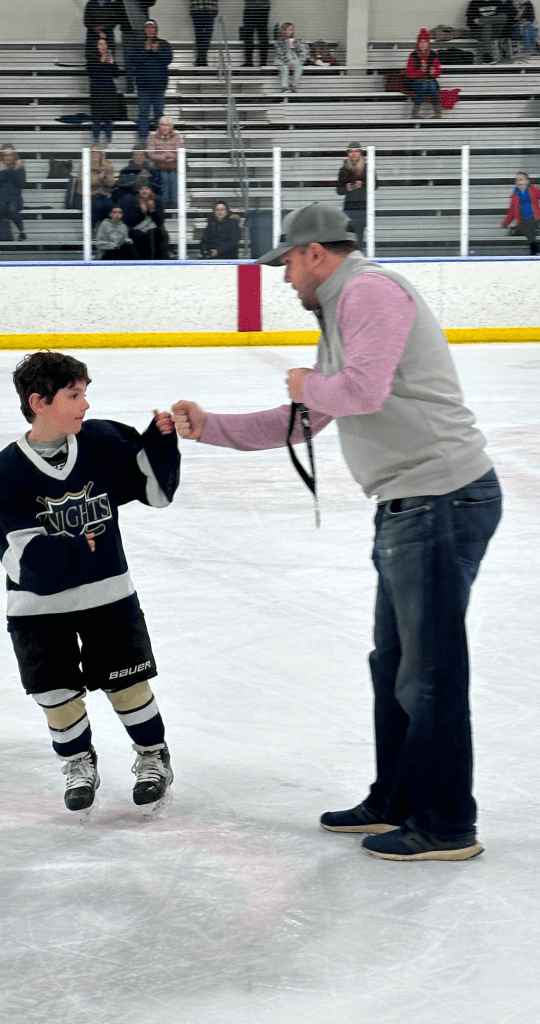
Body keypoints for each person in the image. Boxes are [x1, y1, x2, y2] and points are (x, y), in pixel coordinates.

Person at [172, 203, 501, 862]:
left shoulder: (370, 291)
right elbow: (309, 417)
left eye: (288, 262)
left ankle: (446, 823)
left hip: (441, 498)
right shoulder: (342, 309)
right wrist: (210, 427)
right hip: (411, 505)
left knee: (429, 674)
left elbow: (362, 392)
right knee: (395, 668)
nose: (284, 277)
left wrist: (308, 384)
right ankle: (397, 798)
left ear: (316, 254)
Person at [0, 350, 179, 815]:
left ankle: (153, 756)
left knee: (129, 686)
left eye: (85, 394)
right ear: (39, 402)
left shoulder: (100, 442)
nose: (86, 404)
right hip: (37, 610)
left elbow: (155, 491)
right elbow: (19, 556)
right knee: (56, 696)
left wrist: (160, 443)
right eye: (74, 395)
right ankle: (77, 762)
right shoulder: (5, 470)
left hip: (108, 596)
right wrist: (76, 550)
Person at [131, 20, 173, 144]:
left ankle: (160, 143)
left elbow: (168, 59)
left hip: (159, 86)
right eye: (147, 28)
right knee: (143, 115)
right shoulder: (139, 44)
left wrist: (157, 51)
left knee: (159, 115)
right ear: (144, 30)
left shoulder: (163, 44)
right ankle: (143, 143)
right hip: (143, 87)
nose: (150, 30)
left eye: (152, 28)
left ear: (156, 30)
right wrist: (146, 50)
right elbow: (133, 61)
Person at [335, 142, 376, 249]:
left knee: (360, 233)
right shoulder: (344, 170)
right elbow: (339, 190)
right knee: (349, 234)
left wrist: (363, 185)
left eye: (356, 151)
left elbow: (376, 184)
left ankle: (359, 253)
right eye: (351, 152)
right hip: (350, 206)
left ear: (360, 153)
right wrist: (347, 188)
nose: (353, 154)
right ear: (348, 154)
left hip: (363, 205)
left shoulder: (367, 168)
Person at [87, 36, 122, 146]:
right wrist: (100, 62)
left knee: (108, 119)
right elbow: (91, 74)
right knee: (96, 119)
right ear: (96, 46)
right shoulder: (91, 58)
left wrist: (113, 64)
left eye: (104, 44)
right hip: (97, 93)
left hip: (109, 92)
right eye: (100, 44)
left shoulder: (110, 57)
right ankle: (95, 143)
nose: (103, 46)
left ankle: (109, 142)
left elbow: (116, 75)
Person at [124, 183, 169, 258]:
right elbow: (130, 221)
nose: (144, 191)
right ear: (139, 191)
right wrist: (142, 212)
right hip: (137, 229)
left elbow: (160, 221)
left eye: (146, 189)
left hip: (153, 229)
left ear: (151, 191)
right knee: (140, 235)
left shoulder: (157, 200)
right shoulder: (133, 201)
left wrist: (152, 210)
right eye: (142, 189)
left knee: (155, 233)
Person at [406, 28, 442, 119]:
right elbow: (409, 73)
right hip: (416, 81)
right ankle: (415, 112)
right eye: (421, 42)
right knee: (424, 85)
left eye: (425, 42)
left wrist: (434, 73)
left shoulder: (433, 55)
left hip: (430, 80)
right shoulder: (413, 56)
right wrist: (420, 71)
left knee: (432, 85)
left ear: (428, 43)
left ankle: (437, 113)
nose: (423, 44)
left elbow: (438, 72)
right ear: (418, 43)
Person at [0, 144, 26, 241]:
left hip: (15, 198)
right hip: (0, 198)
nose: (8, 157)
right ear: (1, 156)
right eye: (5, 155)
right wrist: (7, 171)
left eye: (10, 155)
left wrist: (14, 170)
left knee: (12, 209)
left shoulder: (19, 168)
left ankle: (22, 231)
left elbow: (22, 184)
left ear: (14, 156)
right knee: (1, 208)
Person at [147, 115, 183, 207]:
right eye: (162, 125)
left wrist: (171, 156)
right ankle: (165, 203)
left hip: (173, 165)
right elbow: (151, 154)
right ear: (159, 126)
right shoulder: (153, 136)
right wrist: (162, 157)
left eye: (167, 125)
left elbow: (179, 152)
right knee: (165, 177)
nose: (165, 127)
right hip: (158, 165)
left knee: (173, 177)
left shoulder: (177, 137)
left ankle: (174, 204)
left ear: (171, 127)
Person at [502, 171, 540, 253]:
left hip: (534, 219)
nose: (518, 181)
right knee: (523, 229)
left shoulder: (533, 190)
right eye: (516, 180)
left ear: (527, 181)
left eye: (521, 179)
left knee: (526, 229)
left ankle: (534, 248)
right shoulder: (515, 195)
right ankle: (535, 245)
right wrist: (505, 223)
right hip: (523, 221)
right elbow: (511, 212)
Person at [274, 22, 310, 92]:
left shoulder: (292, 40)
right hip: (280, 60)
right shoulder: (279, 41)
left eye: (292, 29)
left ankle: (294, 85)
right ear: (284, 30)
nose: (292, 31)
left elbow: (296, 51)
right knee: (284, 68)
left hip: (291, 59)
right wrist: (287, 61)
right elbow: (280, 53)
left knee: (299, 67)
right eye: (290, 29)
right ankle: (285, 87)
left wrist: (295, 41)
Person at [89, 146, 116, 228]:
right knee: (96, 205)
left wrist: (105, 178)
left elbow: (111, 183)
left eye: (97, 152)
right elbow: (84, 181)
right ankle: (92, 229)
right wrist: (99, 178)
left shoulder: (107, 166)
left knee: (109, 205)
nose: (95, 154)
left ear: (101, 154)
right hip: (89, 195)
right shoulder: (85, 165)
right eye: (93, 152)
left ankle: (105, 230)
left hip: (104, 196)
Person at [242, 0, 271, 67]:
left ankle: (259, 62)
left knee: (260, 35)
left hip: (259, 8)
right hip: (257, 8)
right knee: (250, 35)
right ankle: (252, 61)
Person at [189, 0, 218, 67]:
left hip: (207, 8)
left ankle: (202, 58)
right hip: (199, 8)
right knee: (200, 34)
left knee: (206, 34)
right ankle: (202, 58)